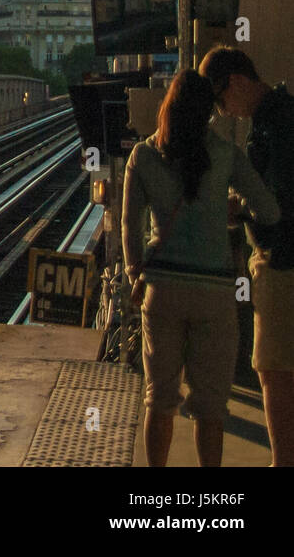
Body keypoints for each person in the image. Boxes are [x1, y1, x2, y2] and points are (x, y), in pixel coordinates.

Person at [122, 70, 281, 467]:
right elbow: (271, 211)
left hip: (162, 291)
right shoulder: (226, 154)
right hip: (214, 293)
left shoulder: (143, 155)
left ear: (167, 107)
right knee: (210, 407)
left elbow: (130, 224)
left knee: (159, 399)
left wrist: (133, 273)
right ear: (209, 111)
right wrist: (234, 210)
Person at [200, 46, 294, 465]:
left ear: (236, 81)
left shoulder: (273, 126)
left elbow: (277, 201)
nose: (224, 110)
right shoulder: (280, 113)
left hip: (281, 258)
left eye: (221, 99)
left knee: (272, 367)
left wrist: (237, 208)